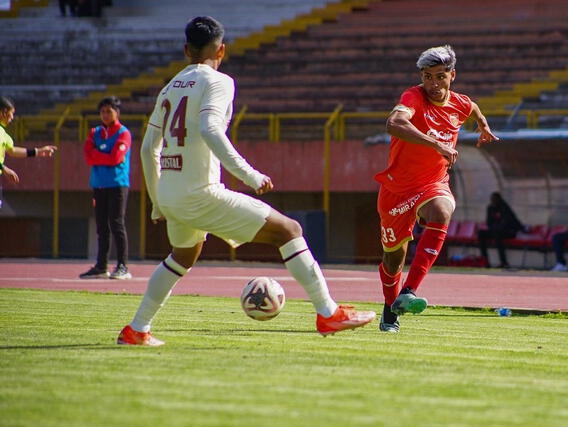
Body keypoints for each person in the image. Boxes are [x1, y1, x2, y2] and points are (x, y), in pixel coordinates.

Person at [116, 17, 375, 346]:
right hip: (200, 194)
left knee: (182, 256)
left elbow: (147, 148)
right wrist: (249, 175)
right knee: (289, 230)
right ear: (222, 50)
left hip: (170, 192)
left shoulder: (169, 87)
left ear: (186, 50)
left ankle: (137, 329)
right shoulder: (219, 81)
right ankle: (328, 313)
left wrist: (156, 200)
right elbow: (211, 129)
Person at [374, 45, 498, 333]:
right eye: (427, 76)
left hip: (433, 183)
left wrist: (482, 124)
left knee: (442, 210)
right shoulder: (412, 97)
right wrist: (436, 144)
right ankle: (390, 309)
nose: (433, 84)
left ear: (452, 75)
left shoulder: (460, 103)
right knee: (393, 259)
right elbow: (394, 123)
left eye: (440, 76)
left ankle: (410, 291)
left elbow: (473, 107)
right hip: (397, 189)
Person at [79, 96, 133, 280]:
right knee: (101, 227)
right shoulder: (94, 132)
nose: (105, 115)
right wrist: (105, 155)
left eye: (109, 111)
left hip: (117, 184)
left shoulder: (124, 133)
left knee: (116, 224)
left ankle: (123, 266)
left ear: (117, 112)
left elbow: (116, 158)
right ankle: (101, 266)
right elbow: (88, 157)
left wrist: (98, 155)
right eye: (102, 112)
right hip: (99, 184)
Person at [0, 96, 56, 209]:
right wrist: (4, 168)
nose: (12, 118)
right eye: (12, 113)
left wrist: (38, 152)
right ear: (3, 112)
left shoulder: (3, 133)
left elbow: (12, 150)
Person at [477, 192, 526, 269]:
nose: (493, 201)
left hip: (509, 232)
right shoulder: (490, 208)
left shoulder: (504, 207)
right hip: (495, 231)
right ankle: (485, 261)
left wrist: (496, 228)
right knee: (481, 234)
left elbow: (506, 223)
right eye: (492, 199)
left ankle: (504, 262)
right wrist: (494, 228)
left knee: (498, 235)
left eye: (495, 199)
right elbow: (489, 222)